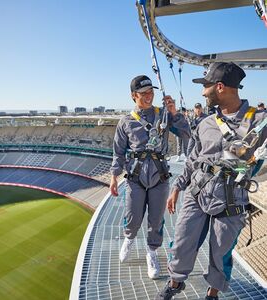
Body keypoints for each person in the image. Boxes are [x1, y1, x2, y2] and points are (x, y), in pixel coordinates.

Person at [156, 62, 267, 300]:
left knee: (221, 251)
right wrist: (177, 187)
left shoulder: (260, 122)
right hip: (198, 192)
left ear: (219, 87)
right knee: (182, 242)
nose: (203, 92)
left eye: (206, 87)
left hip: (232, 198)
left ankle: (212, 293)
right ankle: (175, 283)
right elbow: (193, 159)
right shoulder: (205, 123)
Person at [110, 75, 190, 279]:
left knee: (156, 220)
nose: (149, 96)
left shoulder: (164, 115)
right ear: (133, 96)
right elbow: (118, 151)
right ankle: (128, 239)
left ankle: (151, 253)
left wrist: (175, 113)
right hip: (135, 177)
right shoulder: (126, 121)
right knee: (133, 217)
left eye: (151, 92)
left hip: (159, 176)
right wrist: (113, 176)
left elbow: (186, 134)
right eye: (144, 93)